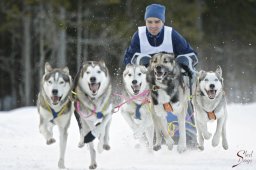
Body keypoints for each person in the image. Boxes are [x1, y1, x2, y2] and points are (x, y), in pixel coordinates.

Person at [123, 3, 198, 147]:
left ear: (163, 22)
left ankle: (188, 134)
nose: (153, 25)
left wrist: (182, 61)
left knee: (183, 90)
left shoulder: (171, 34)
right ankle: (147, 136)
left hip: (171, 78)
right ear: (145, 22)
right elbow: (128, 59)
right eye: (149, 22)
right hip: (148, 79)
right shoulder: (139, 35)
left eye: (157, 22)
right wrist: (140, 60)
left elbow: (191, 54)